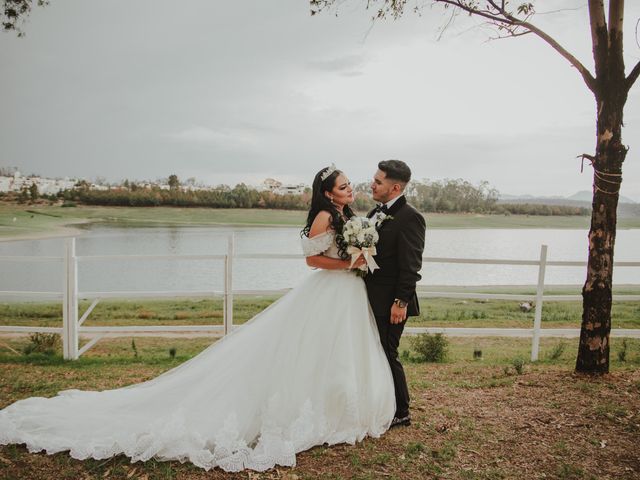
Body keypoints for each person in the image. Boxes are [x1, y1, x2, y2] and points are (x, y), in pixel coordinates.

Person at [0, 166, 395, 473]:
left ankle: (340, 405)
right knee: (310, 350)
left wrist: (357, 256)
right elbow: (311, 260)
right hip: (328, 290)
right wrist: (348, 261)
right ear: (327, 192)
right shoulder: (325, 216)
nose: (350, 190)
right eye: (343, 187)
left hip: (346, 294)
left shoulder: (349, 215)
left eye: (349, 186)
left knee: (339, 351)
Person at [365, 160, 426, 428]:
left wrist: (400, 302)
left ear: (395, 187)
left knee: (388, 352)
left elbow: (411, 266)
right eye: (374, 179)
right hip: (369, 297)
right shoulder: (372, 214)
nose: (373, 184)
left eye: (378, 181)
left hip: (392, 302)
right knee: (374, 351)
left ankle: (401, 411)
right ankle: (380, 403)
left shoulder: (410, 218)